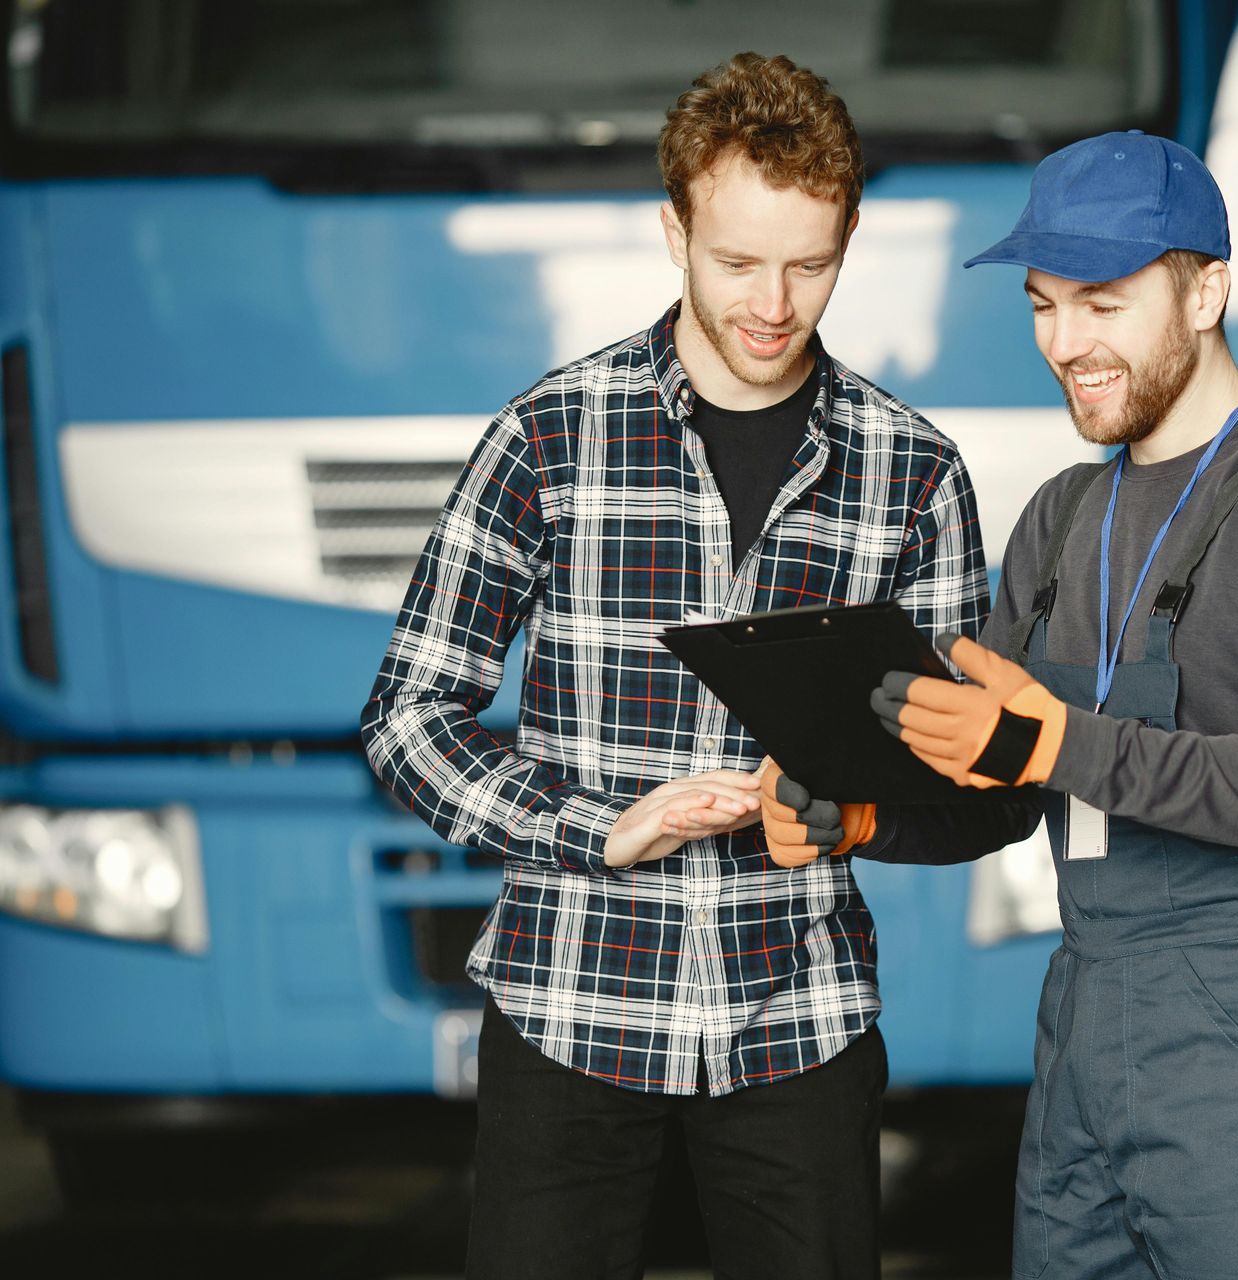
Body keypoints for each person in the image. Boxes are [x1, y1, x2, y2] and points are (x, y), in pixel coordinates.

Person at [360, 53, 1002, 1280]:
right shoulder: (550, 436)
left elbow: (977, 788)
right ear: (674, 232)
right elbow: (407, 717)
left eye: (810, 264)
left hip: (797, 1029)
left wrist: (856, 808)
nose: (774, 302)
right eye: (738, 261)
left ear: (850, 238)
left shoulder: (915, 473)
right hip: (569, 1015)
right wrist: (597, 825)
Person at [762, 132, 1238, 1279]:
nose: (1067, 345)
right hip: (1085, 1029)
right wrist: (864, 818)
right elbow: (1004, 793)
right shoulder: (1059, 519)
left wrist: (1056, 736)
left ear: (1206, 289)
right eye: (1044, 305)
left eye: (1103, 303)